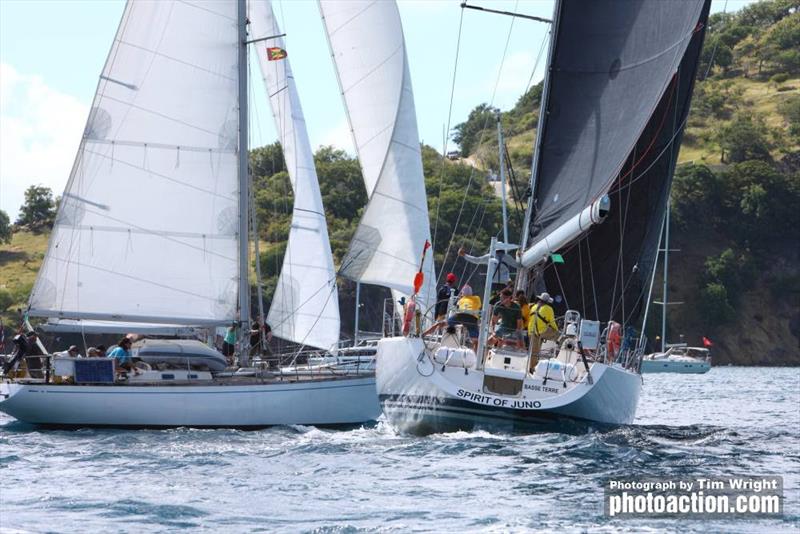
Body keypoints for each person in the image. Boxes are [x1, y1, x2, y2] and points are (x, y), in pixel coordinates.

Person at [528, 292, 559, 370]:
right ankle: (558, 350)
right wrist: (556, 330)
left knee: (534, 351)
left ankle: (532, 368)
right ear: (547, 302)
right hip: (541, 332)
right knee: (557, 334)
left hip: (531, 331)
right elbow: (552, 322)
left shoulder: (533, 307)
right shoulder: (549, 309)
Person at [454, 285, 481, 351]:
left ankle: (457, 345)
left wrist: (461, 298)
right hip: (472, 319)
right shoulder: (477, 298)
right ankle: (474, 355)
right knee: (476, 341)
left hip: (461, 318)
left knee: (455, 324)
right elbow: (479, 306)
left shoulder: (461, 300)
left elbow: (455, 306)